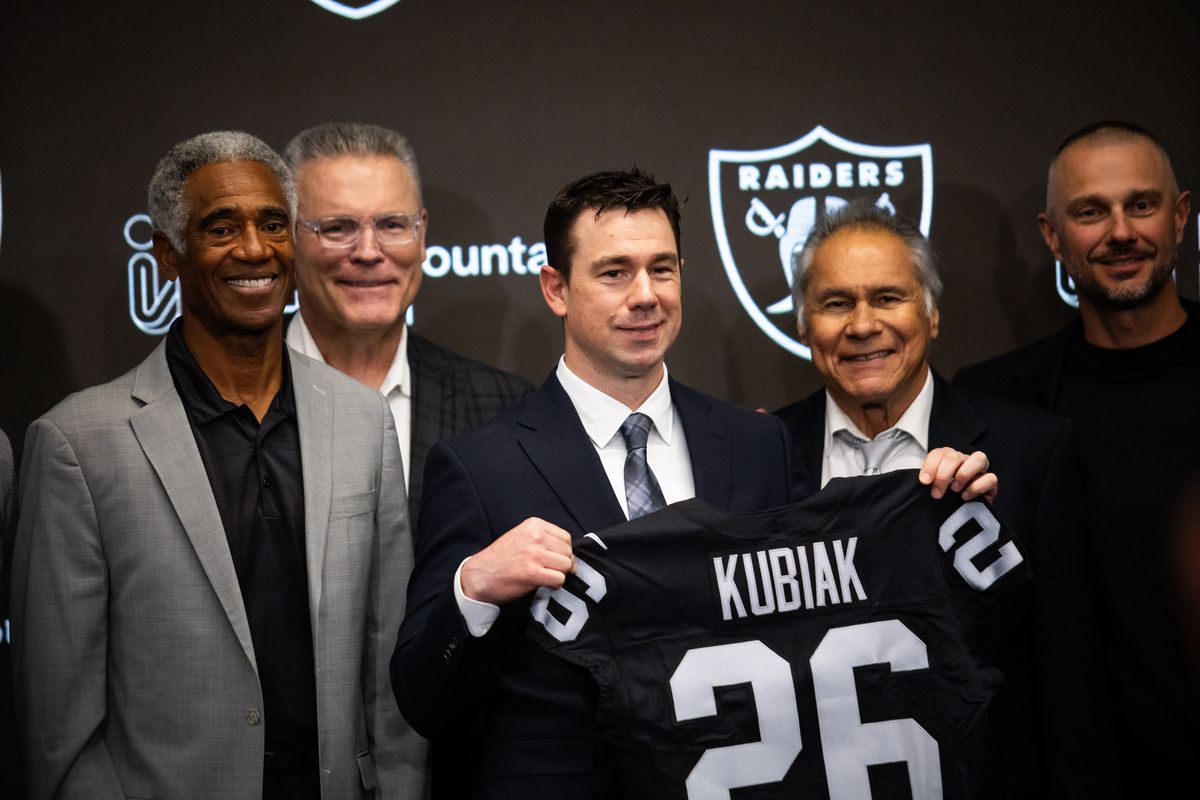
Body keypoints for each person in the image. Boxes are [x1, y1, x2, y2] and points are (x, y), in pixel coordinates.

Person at [391, 169, 995, 799]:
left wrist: (938, 515)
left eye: (663, 268)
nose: (646, 295)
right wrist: (474, 591)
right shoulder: (480, 468)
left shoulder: (757, 445)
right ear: (556, 288)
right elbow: (422, 699)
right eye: (614, 272)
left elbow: (831, 629)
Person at [11, 131, 425, 800]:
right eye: (221, 228)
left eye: (271, 224)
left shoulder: (361, 421)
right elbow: (58, 727)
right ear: (168, 255)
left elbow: (388, 673)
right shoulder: (77, 445)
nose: (255, 250)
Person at [773, 202, 1111, 797]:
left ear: (931, 315)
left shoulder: (1031, 453)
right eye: (835, 303)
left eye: (887, 297)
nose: (862, 324)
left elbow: (1070, 684)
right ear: (803, 326)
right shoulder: (759, 458)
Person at [955, 120, 1199, 792]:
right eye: (1091, 212)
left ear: (1180, 217)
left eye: (1141, 205)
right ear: (1052, 236)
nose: (1120, 232)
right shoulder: (995, 402)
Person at [283, 122, 531, 523]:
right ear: (288, 238)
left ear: (422, 232)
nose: (368, 252)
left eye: (391, 225)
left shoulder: (502, 408)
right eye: (337, 228)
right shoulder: (224, 398)